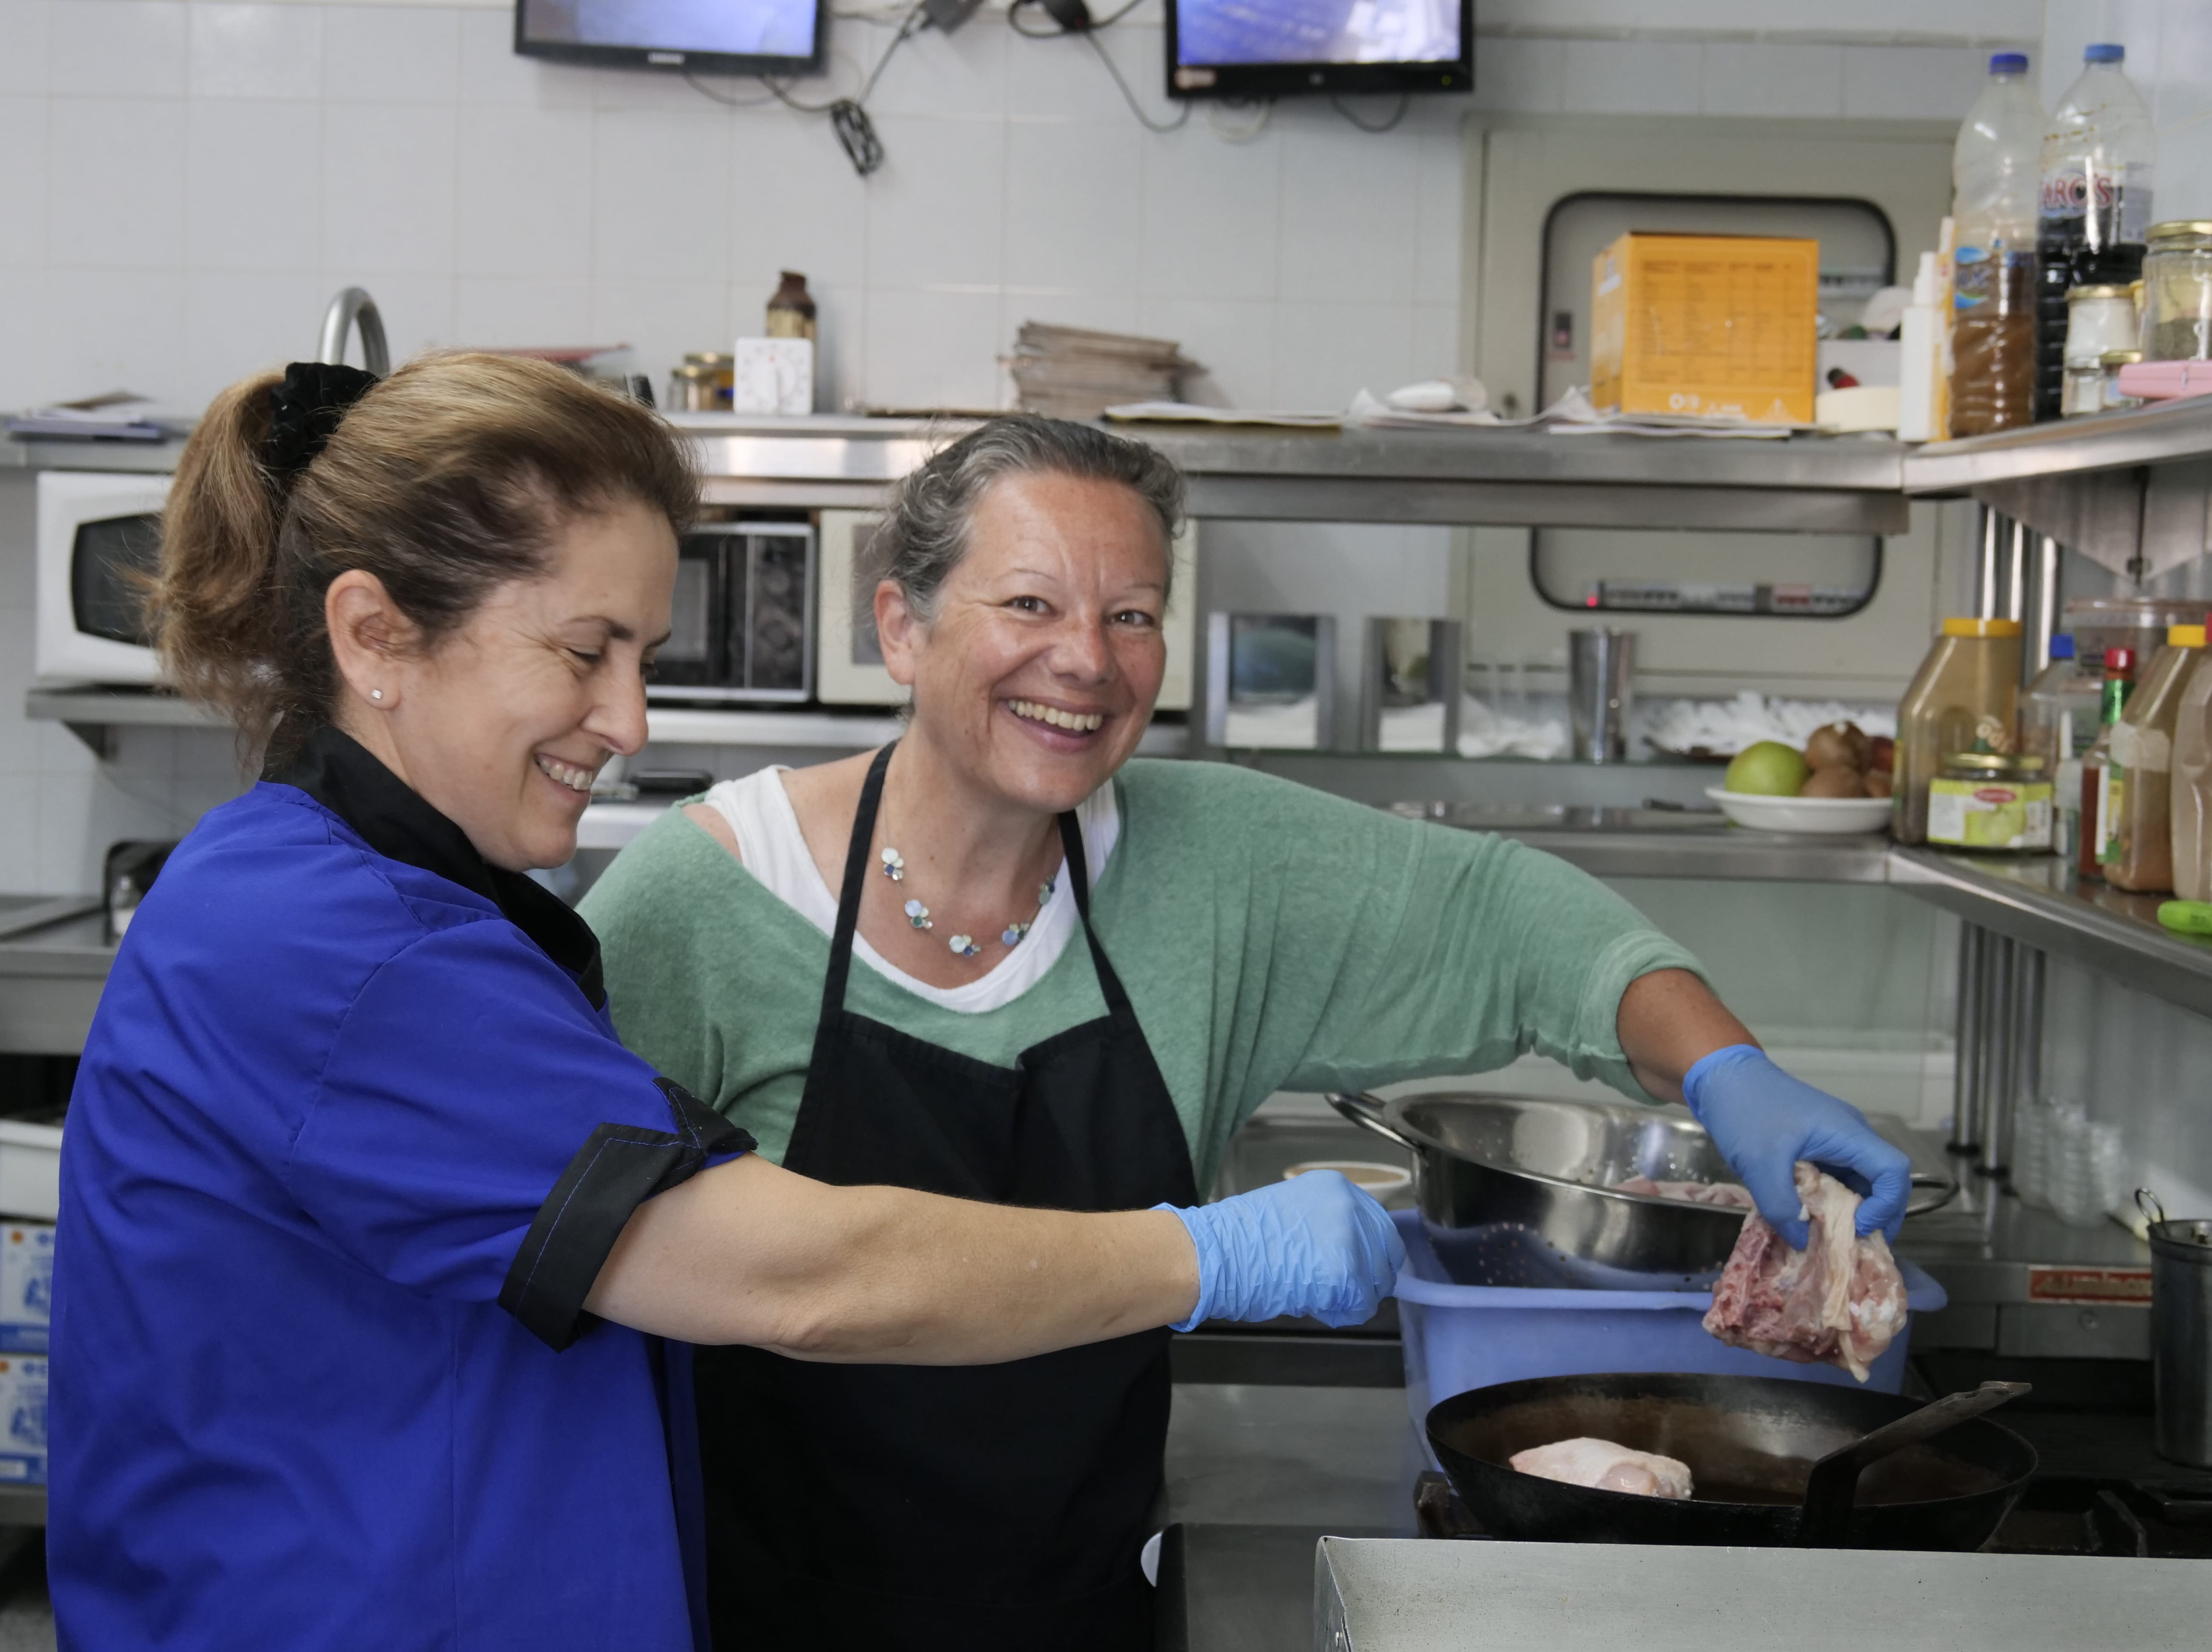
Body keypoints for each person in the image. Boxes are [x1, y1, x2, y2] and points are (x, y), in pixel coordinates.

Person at [47, 358, 1403, 1650]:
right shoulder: (342, 952)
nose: (631, 719)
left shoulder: (383, 902)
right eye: (586, 652)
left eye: (641, 653)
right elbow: (806, 1276)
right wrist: (1212, 1259)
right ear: (375, 634)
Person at [581, 415, 1917, 1650]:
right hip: (743, 1613)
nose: (1087, 662)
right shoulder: (702, 904)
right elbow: (580, 1282)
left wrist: (1726, 1065)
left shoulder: (1212, 868)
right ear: (904, 625)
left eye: (1133, 615)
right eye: (1031, 604)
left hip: (1078, 1607)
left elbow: (1518, 923)